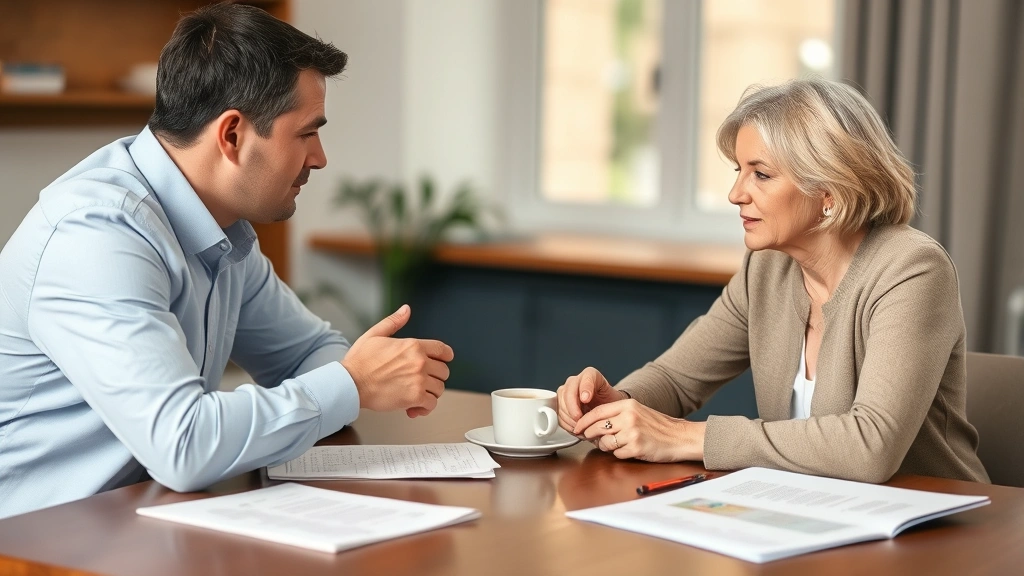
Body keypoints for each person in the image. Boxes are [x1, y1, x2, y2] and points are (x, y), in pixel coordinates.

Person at [0, 3, 453, 519]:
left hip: (141, 524)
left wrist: (351, 378)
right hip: (31, 542)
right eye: (306, 132)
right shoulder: (97, 234)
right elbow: (184, 446)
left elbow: (308, 352)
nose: (320, 157)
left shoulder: (222, 230)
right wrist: (350, 384)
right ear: (232, 135)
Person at [557, 77, 989, 484]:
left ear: (829, 192)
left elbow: (870, 446)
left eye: (760, 174)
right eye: (738, 171)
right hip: (816, 514)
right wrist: (615, 406)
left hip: (934, 527)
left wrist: (687, 438)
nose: (736, 194)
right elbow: (676, 379)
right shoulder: (766, 269)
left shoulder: (912, 270)